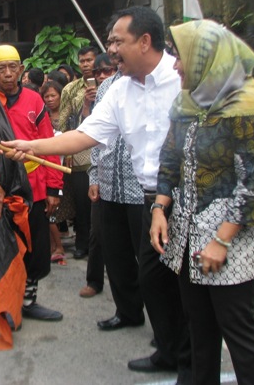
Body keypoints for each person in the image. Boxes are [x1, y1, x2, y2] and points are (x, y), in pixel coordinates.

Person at [2, 7, 191, 381]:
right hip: (152, 197)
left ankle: (190, 361)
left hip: (190, 194)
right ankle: (169, 351)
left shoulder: (182, 77)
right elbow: (86, 134)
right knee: (153, 279)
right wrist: (33, 146)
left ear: (145, 41)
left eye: (117, 42)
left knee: (185, 285)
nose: (111, 50)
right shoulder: (119, 89)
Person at [151, 19, 254, 384]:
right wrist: (159, 208)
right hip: (188, 235)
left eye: (180, 57)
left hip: (232, 239)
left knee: (238, 330)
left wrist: (221, 241)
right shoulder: (188, 101)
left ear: (205, 58)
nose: (175, 65)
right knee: (199, 330)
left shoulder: (247, 105)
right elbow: (170, 159)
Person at [0, 44, 63, 321]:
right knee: (4, 251)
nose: (8, 74)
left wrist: (53, 188)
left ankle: (28, 301)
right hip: (1, 190)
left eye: (13, 67)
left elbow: (50, 145)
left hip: (33, 189)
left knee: (34, 250)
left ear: (22, 70)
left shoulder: (35, 100)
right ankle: (8, 305)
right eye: (1, 68)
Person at [86, 45, 145, 334]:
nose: (114, 50)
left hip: (142, 189)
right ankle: (127, 311)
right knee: (117, 256)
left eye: (120, 43)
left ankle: (167, 330)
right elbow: (95, 134)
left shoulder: (153, 84)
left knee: (149, 258)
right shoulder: (106, 88)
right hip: (109, 184)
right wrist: (94, 176)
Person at [80, 52, 118, 299]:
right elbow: (85, 132)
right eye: (97, 72)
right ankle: (94, 281)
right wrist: (94, 177)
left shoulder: (127, 90)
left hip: (134, 184)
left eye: (108, 71)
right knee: (98, 233)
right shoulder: (80, 91)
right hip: (100, 173)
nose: (102, 76)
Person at [58, 46, 98, 259]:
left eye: (89, 60)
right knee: (83, 205)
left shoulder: (112, 84)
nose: (85, 64)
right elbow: (63, 121)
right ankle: (82, 244)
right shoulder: (71, 89)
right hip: (82, 154)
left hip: (106, 153)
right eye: (82, 60)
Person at [40, 80, 68, 265]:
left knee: (51, 215)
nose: (50, 99)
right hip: (45, 174)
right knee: (47, 215)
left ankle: (59, 248)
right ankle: (52, 247)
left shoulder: (62, 127)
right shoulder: (44, 120)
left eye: (53, 95)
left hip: (56, 175)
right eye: (46, 96)